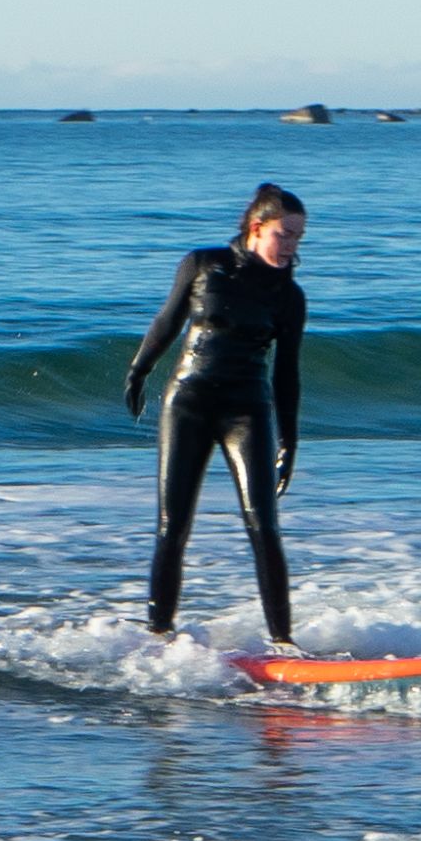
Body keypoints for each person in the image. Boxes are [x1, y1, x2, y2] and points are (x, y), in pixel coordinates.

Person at [124, 183, 307, 642]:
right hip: (188, 402)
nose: (290, 247)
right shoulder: (203, 265)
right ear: (256, 227)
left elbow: (287, 372)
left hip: (247, 410)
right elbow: (166, 321)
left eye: (298, 238)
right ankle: (159, 635)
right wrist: (138, 370)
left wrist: (290, 437)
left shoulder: (289, 296)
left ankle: (283, 643)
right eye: (283, 235)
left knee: (263, 524)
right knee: (173, 525)